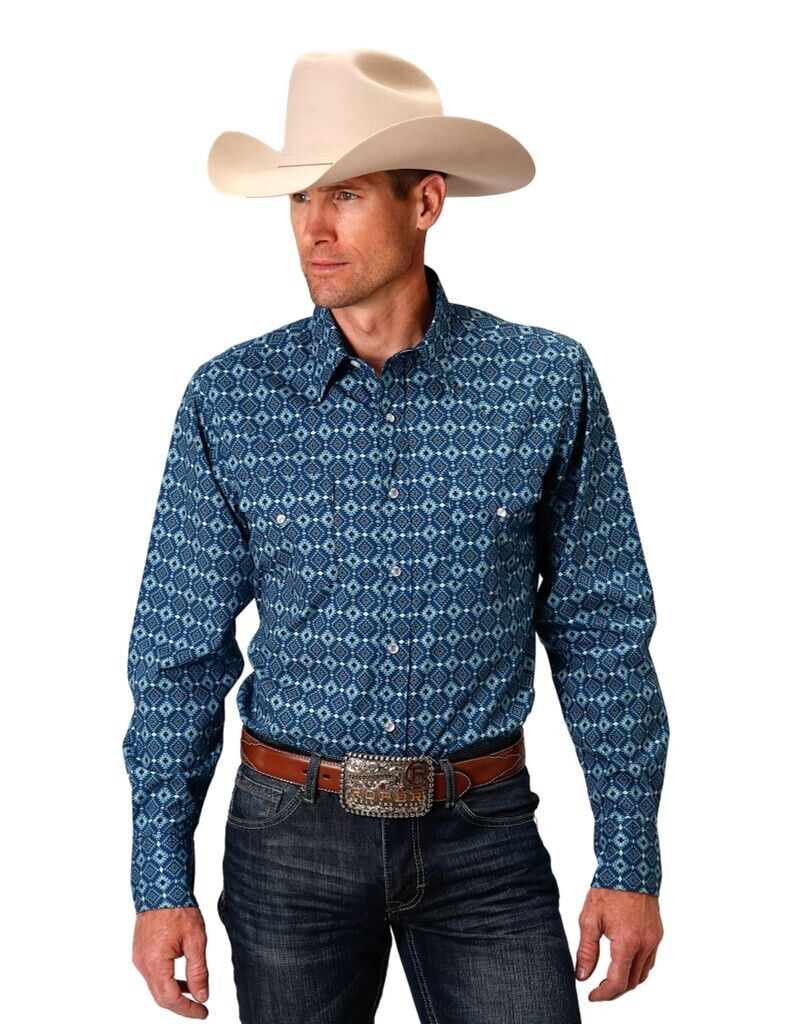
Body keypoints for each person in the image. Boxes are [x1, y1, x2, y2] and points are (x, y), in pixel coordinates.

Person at [123, 48, 670, 1023]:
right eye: (299, 198)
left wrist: (629, 858)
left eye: (344, 196)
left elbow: (601, 629)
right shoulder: (231, 399)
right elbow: (178, 651)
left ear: (425, 201)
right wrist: (160, 881)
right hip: (289, 839)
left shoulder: (542, 382)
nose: (313, 229)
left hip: (483, 835)